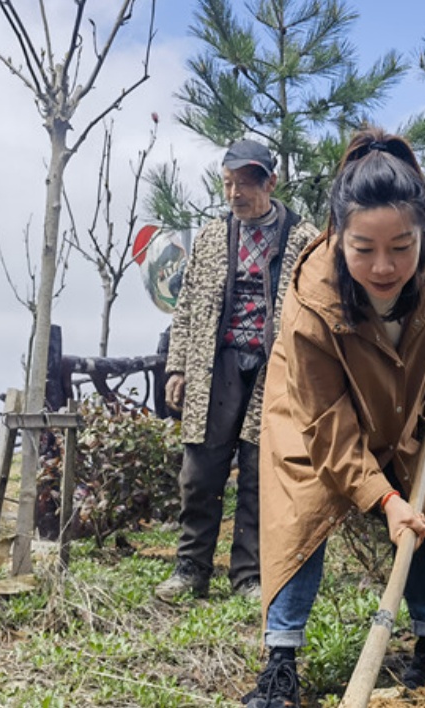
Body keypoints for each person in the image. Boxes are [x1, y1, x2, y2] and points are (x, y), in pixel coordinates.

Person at [244, 128, 425, 707]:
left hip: (400, 392)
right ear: (337, 236)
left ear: (423, 235)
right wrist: (381, 501)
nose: (384, 267)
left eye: (402, 247)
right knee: (300, 508)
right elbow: (327, 424)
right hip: (311, 407)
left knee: (418, 506)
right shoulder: (313, 299)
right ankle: (280, 663)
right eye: (364, 249)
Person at [157, 139, 319, 602]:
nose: (235, 194)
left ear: (271, 182)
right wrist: (179, 367)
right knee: (201, 469)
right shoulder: (211, 236)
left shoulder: (304, 239)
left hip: (277, 368)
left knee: (259, 471)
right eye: (228, 184)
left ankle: (250, 574)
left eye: (245, 183)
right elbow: (186, 306)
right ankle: (190, 569)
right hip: (217, 363)